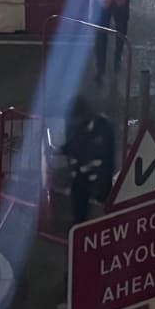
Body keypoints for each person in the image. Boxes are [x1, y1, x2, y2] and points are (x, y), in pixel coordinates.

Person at [61, 96, 115, 225]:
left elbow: (106, 155)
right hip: (81, 178)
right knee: (79, 210)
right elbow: (73, 145)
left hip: (100, 176)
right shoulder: (76, 127)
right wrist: (59, 150)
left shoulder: (103, 126)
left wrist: (94, 168)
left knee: (101, 214)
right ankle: (79, 229)